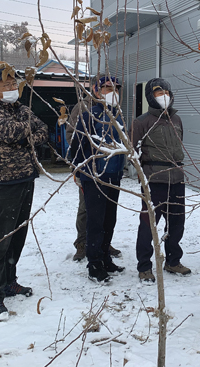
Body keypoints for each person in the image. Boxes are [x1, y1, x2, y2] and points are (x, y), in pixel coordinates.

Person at [0, 65, 48, 320]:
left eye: (13, 84)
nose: (11, 88)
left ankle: (9, 281)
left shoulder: (21, 109)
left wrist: (22, 135)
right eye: (6, 85)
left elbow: (43, 130)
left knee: (17, 236)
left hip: (26, 178)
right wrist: (23, 134)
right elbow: (11, 132)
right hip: (3, 181)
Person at [132, 78, 191, 283]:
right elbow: (133, 153)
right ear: (150, 96)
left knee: (177, 223)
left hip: (176, 178)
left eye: (166, 91)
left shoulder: (177, 119)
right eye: (158, 92)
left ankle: (173, 261)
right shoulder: (141, 122)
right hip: (154, 180)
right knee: (149, 224)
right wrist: (145, 176)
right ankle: (144, 266)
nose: (164, 95)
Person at [69, 76, 126, 283]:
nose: (112, 92)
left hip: (114, 176)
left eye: (115, 88)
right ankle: (94, 265)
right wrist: (79, 171)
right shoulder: (88, 116)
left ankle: (104, 258)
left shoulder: (117, 116)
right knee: (95, 222)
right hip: (94, 177)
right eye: (107, 88)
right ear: (96, 90)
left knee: (110, 220)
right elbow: (76, 146)